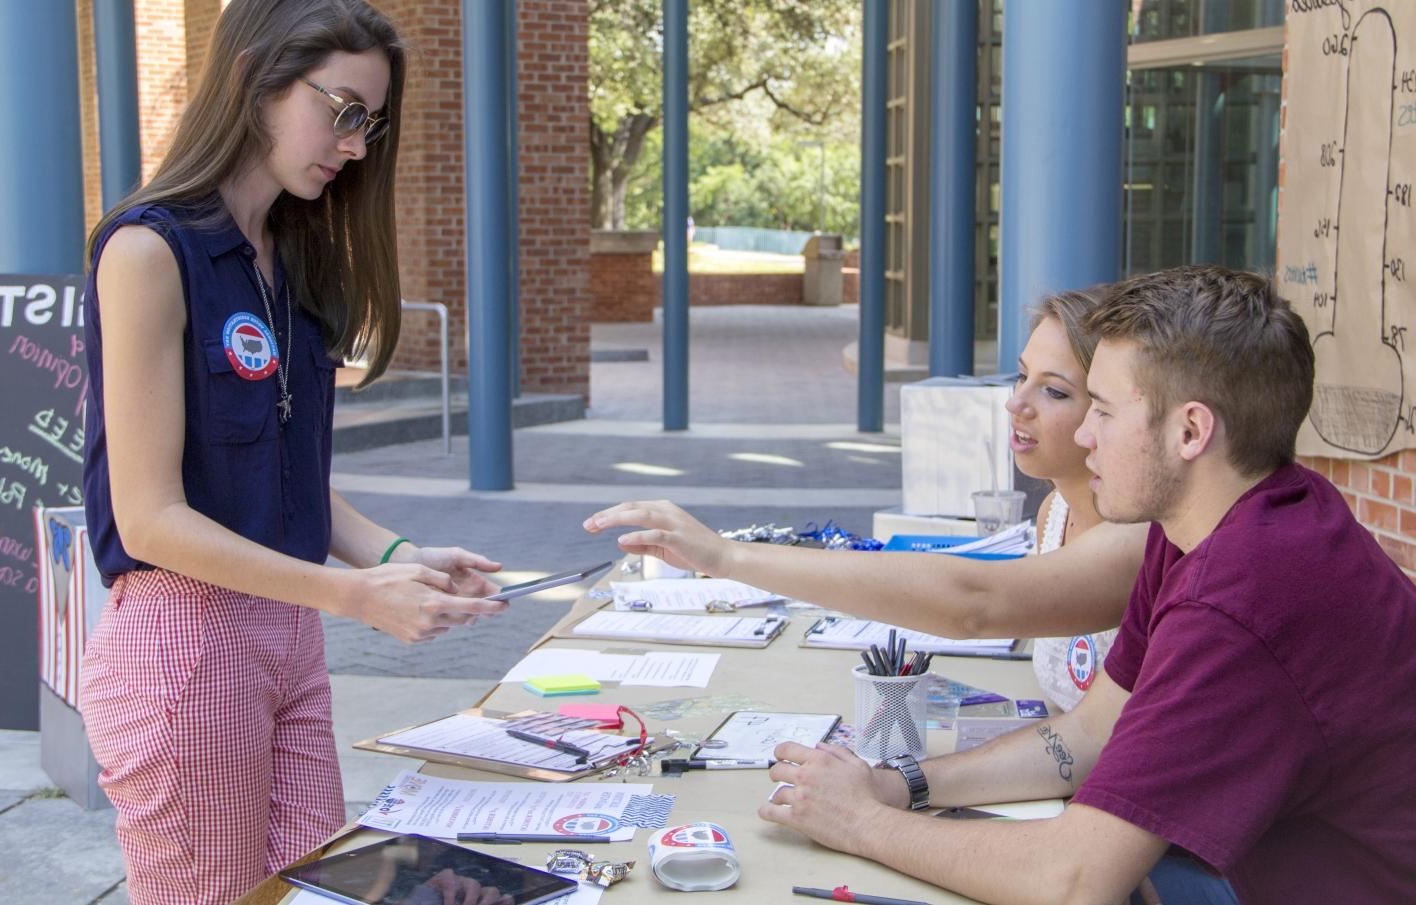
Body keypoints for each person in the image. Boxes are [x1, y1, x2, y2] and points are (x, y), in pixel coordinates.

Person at [753, 266, 1416, 903]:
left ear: (1190, 430)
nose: (1085, 435)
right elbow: (1087, 735)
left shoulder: (1241, 595)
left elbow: (1072, 880)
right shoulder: (1215, 519)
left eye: (1100, 409)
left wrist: (859, 821)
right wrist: (898, 784)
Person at [78, 3, 507, 903]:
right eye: (342, 110)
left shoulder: (293, 257)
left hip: (287, 630)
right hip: (186, 639)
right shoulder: (151, 251)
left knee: (307, 889)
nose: (356, 145)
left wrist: (396, 557)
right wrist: (355, 593)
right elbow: (148, 517)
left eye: (370, 123)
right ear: (253, 79)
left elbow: (286, 469)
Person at [585, 287, 1149, 708]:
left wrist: (726, 558)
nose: (1015, 404)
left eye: (1055, 391)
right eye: (1020, 377)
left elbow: (973, 601)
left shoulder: (1139, 536)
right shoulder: (1054, 513)